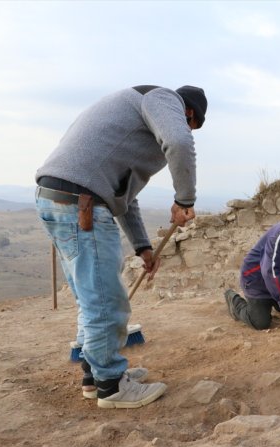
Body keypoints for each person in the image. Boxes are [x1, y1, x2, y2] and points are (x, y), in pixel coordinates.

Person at [35, 84, 207, 408]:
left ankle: (94, 376)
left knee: (92, 297)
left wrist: (143, 246)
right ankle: (112, 387)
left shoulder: (127, 120)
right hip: (81, 204)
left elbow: (124, 198)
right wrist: (185, 200)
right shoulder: (162, 99)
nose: (185, 130)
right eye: (190, 124)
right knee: (105, 301)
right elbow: (180, 142)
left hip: (61, 199)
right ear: (187, 113)